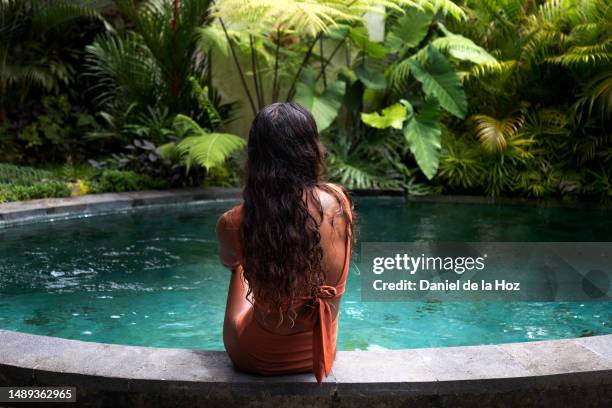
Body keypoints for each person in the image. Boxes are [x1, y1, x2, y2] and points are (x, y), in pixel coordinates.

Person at [216, 102, 354, 384]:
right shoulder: (340, 202)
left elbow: (228, 260)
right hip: (323, 350)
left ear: (255, 157)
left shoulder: (235, 221)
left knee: (240, 266)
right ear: (312, 149)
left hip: (256, 357)